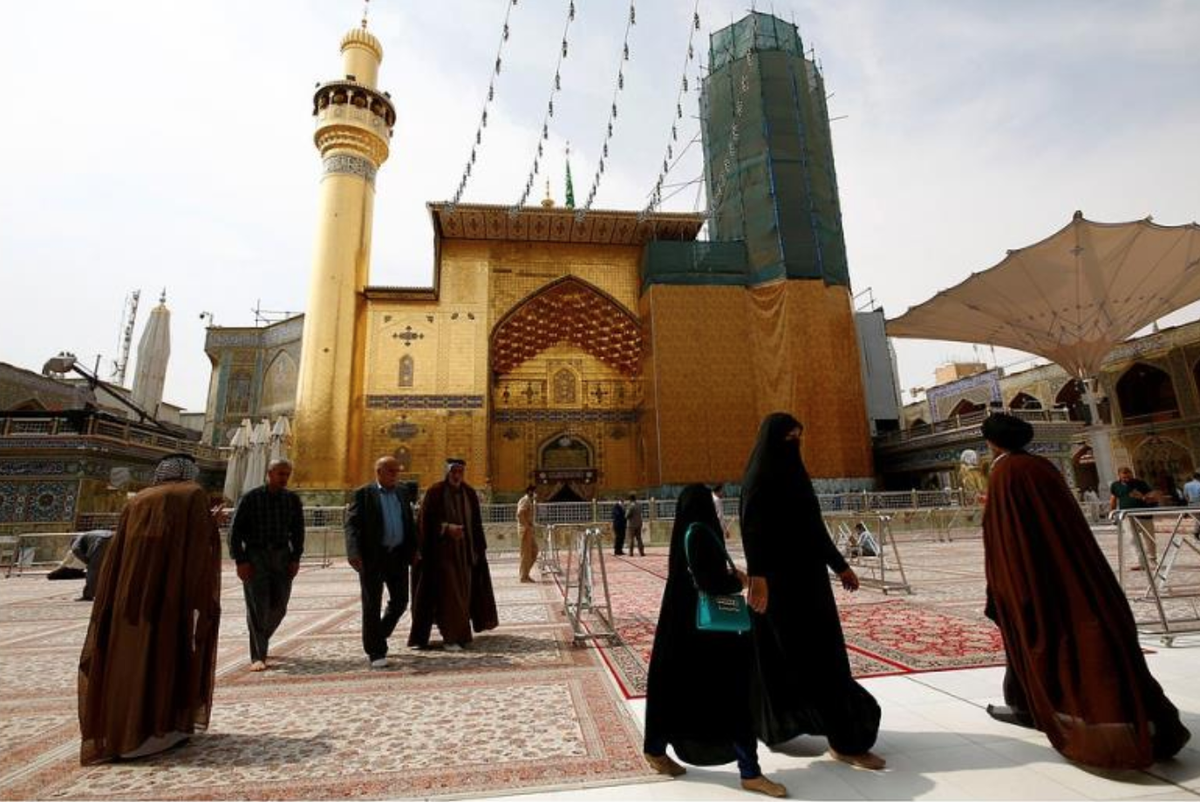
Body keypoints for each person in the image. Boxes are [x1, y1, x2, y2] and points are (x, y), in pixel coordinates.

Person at [980, 413, 1190, 769]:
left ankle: (1075, 717)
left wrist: (1003, 582)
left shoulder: (1005, 473)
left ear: (992, 442)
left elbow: (1005, 534)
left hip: (1031, 574)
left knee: (1046, 638)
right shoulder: (1042, 467)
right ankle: (1028, 704)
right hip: (1072, 568)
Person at [740, 412, 885, 771]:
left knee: (820, 656)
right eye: (789, 438)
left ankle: (839, 732)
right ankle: (844, 738)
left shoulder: (794, 475)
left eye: (798, 437)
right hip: (776, 586)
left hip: (808, 581)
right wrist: (758, 576)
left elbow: (813, 527)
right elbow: (751, 529)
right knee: (803, 658)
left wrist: (840, 565)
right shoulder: (759, 476)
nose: (795, 444)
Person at [643, 484, 787, 798]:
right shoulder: (700, 533)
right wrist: (737, 581)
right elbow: (709, 581)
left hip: (679, 630)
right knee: (734, 695)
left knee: (671, 689)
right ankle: (750, 772)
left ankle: (655, 750)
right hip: (708, 634)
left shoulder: (683, 534)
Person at [77, 453, 222, 765]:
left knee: (128, 656)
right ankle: (159, 729)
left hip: (128, 592)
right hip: (168, 593)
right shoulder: (191, 494)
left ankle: (122, 733)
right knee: (164, 653)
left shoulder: (139, 499)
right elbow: (196, 547)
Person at [409, 458, 498, 650]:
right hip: (441, 556)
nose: (457, 476)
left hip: (465, 555)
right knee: (450, 596)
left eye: (460, 472)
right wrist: (446, 528)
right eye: (454, 472)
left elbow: (475, 524)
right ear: (447, 472)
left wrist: (478, 550)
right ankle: (451, 638)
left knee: (463, 597)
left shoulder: (469, 493)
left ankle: (459, 635)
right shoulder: (435, 492)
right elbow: (424, 523)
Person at [229, 458, 305, 671]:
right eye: (280, 474)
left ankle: (261, 637)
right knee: (257, 606)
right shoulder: (251, 498)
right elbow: (235, 532)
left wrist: (295, 558)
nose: (284, 478)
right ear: (269, 474)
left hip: (281, 556)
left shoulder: (291, 500)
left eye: (287, 474)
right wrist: (240, 560)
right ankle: (258, 655)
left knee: (279, 607)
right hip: (256, 555)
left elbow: (298, 531)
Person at [345, 456, 418, 668]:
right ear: (379, 472)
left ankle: (379, 634)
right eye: (391, 471)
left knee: (401, 601)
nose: (396, 475)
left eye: (397, 471)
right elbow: (351, 525)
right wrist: (353, 552)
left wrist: (414, 549)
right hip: (373, 557)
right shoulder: (363, 494)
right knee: (372, 604)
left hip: (397, 556)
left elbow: (409, 522)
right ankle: (375, 651)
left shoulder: (402, 492)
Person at [1110, 466, 1157, 563]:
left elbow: (1153, 497)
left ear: (1131, 474)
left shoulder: (1140, 483)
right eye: (1124, 477)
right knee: (1132, 538)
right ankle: (1139, 561)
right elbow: (1113, 499)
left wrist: (1142, 496)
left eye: (1128, 476)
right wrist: (1112, 511)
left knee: (1149, 537)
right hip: (1127, 515)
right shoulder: (1115, 485)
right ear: (1119, 476)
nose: (1127, 479)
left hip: (1144, 515)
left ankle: (1152, 558)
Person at [69, 530, 114, 601]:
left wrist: (87, 562)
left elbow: (75, 549)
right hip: (114, 537)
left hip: (102, 541)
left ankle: (88, 595)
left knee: (93, 571)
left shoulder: (77, 539)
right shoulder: (89, 536)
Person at [517, 484, 538, 583]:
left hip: (529, 530)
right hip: (525, 531)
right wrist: (526, 526)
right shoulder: (524, 500)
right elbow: (520, 513)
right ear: (530, 492)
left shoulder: (529, 501)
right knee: (526, 554)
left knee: (534, 551)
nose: (536, 494)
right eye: (534, 492)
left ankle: (526, 573)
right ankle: (523, 576)